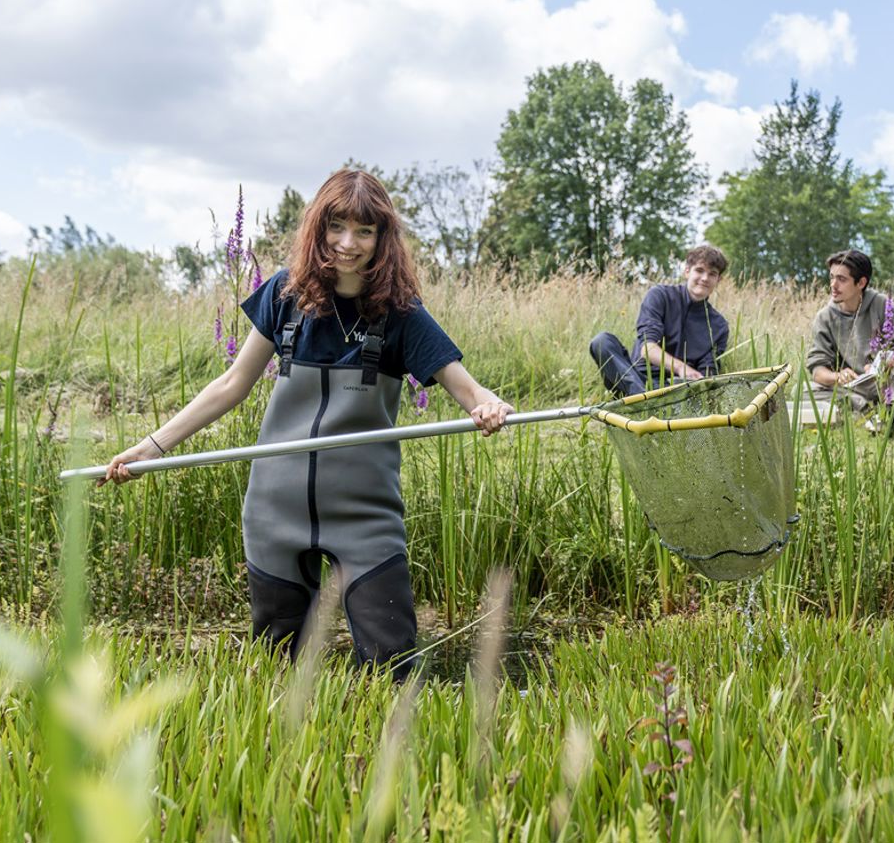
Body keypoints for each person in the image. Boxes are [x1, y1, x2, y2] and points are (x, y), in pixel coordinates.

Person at [100, 169, 512, 678]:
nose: (347, 243)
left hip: (364, 515)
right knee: (277, 668)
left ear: (383, 238)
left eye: (364, 231)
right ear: (319, 227)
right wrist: (151, 447)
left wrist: (489, 405)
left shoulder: (402, 314)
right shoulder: (284, 294)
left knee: (392, 666)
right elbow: (231, 385)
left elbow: (469, 390)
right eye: (337, 226)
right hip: (275, 511)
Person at [589, 245, 730, 398]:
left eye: (712, 274)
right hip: (636, 380)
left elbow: (707, 373)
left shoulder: (719, 326)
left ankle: (650, 403)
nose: (705, 278)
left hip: (676, 389)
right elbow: (647, 349)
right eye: (699, 270)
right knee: (602, 341)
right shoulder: (660, 295)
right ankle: (643, 400)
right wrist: (680, 367)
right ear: (687, 271)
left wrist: (701, 380)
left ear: (718, 280)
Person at [805, 249, 894, 431]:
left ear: (861, 283)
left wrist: (883, 364)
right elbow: (817, 368)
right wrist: (837, 376)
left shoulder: (882, 304)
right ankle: (866, 410)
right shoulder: (824, 317)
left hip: (885, 382)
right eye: (831, 277)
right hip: (852, 389)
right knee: (803, 391)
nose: (833, 285)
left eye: (841, 279)